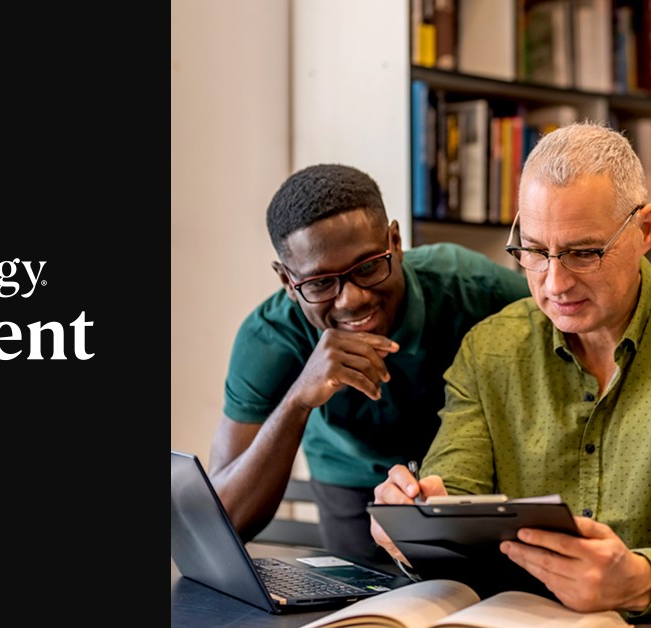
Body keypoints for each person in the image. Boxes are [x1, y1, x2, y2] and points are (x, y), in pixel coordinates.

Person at [369, 122, 651, 618]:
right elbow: (453, 487)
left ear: (645, 230)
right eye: (535, 252)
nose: (555, 282)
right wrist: (419, 518)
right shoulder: (491, 349)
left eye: (584, 253)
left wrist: (642, 579)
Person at [209, 163, 531, 561]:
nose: (352, 299)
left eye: (367, 267)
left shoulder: (472, 289)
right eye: (320, 283)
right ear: (288, 283)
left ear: (395, 242)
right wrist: (298, 401)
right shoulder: (270, 339)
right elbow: (223, 521)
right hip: (349, 482)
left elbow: (567, 337)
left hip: (463, 475)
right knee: (364, 606)